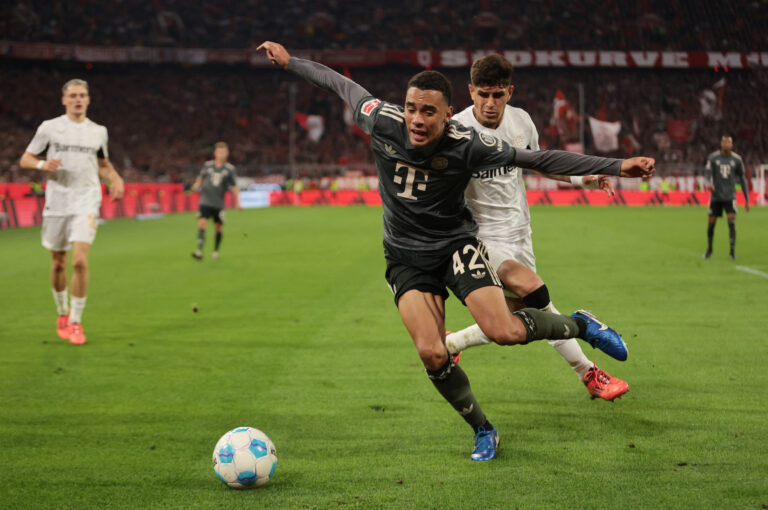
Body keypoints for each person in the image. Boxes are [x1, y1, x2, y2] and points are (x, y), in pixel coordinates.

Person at [258, 41, 655, 461]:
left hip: (455, 246)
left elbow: (541, 159)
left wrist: (614, 166)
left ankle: (580, 325)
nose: (416, 118)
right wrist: (290, 62)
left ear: (447, 115)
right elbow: (337, 82)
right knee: (432, 352)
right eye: (411, 107)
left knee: (504, 331)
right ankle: (483, 429)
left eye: (428, 111)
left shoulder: (469, 144)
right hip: (406, 257)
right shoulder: (381, 119)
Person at [445, 54, 628, 401]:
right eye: (482, 94)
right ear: (470, 92)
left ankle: (452, 343)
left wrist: (582, 177)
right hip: (480, 236)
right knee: (536, 292)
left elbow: (542, 163)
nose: (489, 103)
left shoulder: (521, 122)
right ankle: (588, 370)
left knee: (514, 319)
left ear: (509, 92)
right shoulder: (456, 130)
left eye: (497, 95)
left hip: (520, 232)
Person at [20, 78, 125, 345]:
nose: (78, 99)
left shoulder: (98, 131)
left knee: (79, 261)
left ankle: (77, 322)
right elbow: (26, 159)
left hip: (87, 200)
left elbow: (102, 164)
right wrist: (44, 165)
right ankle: (62, 313)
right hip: (58, 201)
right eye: (73, 95)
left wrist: (116, 179)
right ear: (64, 100)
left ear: (88, 99)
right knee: (58, 263)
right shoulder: (50, 128)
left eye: (82, 95)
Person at [191, 142, 241, 260]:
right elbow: (201, 178)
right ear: (215, 153)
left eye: (224, 152)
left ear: (227, 153)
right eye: (219, 152)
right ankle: (199, 251)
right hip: (205, 201)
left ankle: (215, 250)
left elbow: (234, 186)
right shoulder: (207, 165)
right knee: (202, 224)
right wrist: (196, 185)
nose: (221, 154)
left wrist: (238, 202)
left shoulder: (230, 169)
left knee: (218, 228)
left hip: (219, 204)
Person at [703, 135, 749, 260]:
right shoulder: (713, 158)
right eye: (724, 142)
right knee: (711, 224)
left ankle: (732, 252)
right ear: (721, 144)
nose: (726, 144)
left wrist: (747, 199)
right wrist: (708, 184)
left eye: (728, 142)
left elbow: (743, 179)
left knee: (732, 223)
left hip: (730, 196)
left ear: (732, 145)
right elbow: (706, 174)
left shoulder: (737, 160)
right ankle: (709, 250)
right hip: (716, 196)